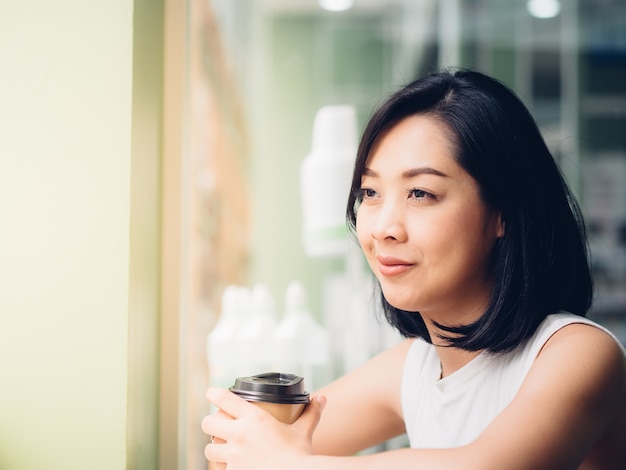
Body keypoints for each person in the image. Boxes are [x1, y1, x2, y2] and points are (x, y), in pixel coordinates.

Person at [202, 69, 626, 469]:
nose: (384, 227)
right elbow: (252, 451)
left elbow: (486, 466)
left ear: (504, 214)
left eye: (420, 193)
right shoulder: (417, 366)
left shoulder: (579, 353)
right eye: (370, 191)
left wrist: (293, 462)